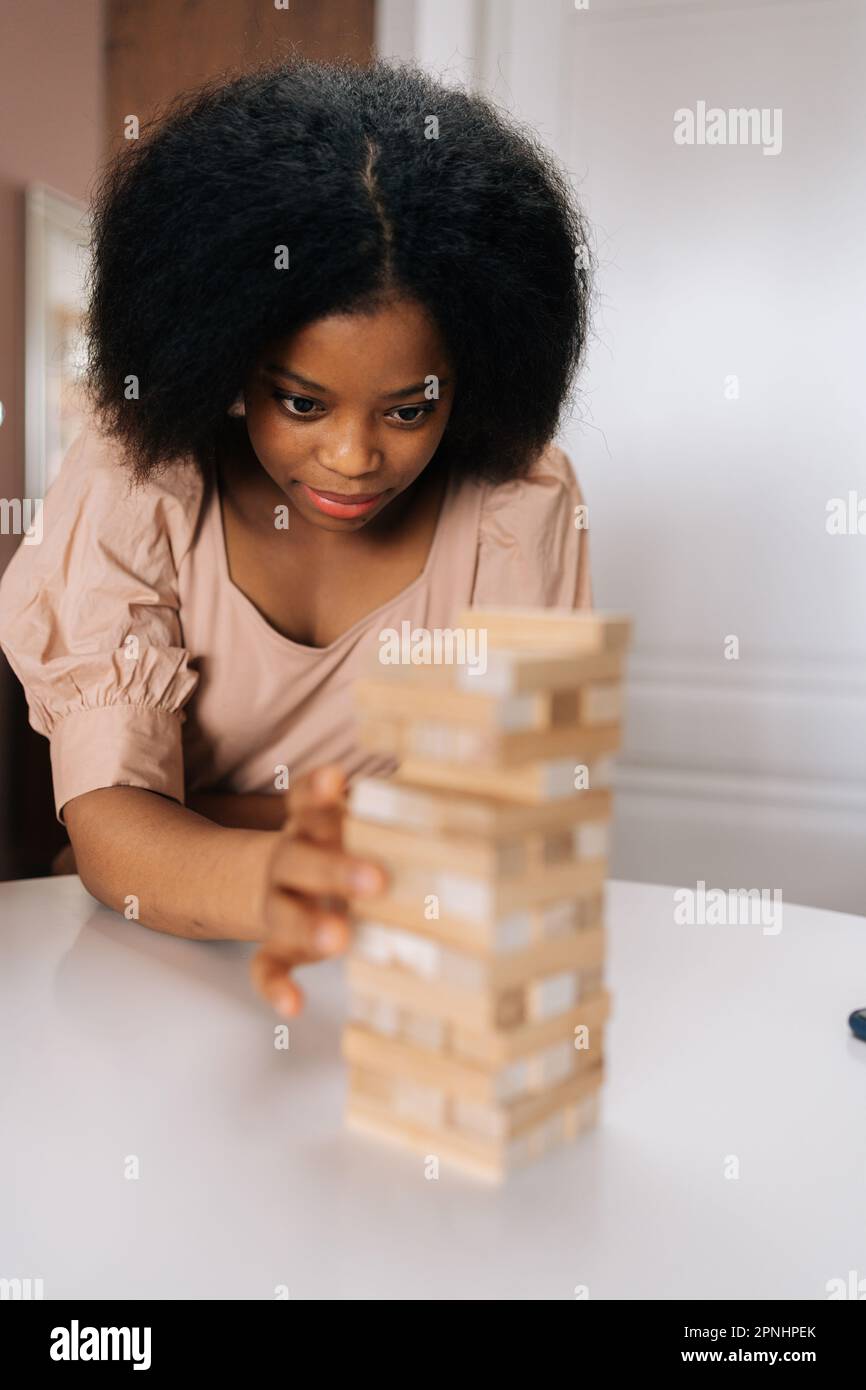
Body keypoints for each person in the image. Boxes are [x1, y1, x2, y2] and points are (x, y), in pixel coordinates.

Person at [0, 58, 593, 1018]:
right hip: (144, 982)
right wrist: (278, 869)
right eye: (302, 403)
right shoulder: (133, 481)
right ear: (225, 357)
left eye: (409, 410)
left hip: (409, 982)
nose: (354, 457)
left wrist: (192, 822)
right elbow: (111, 838)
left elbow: (513, 829)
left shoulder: (519, 505)